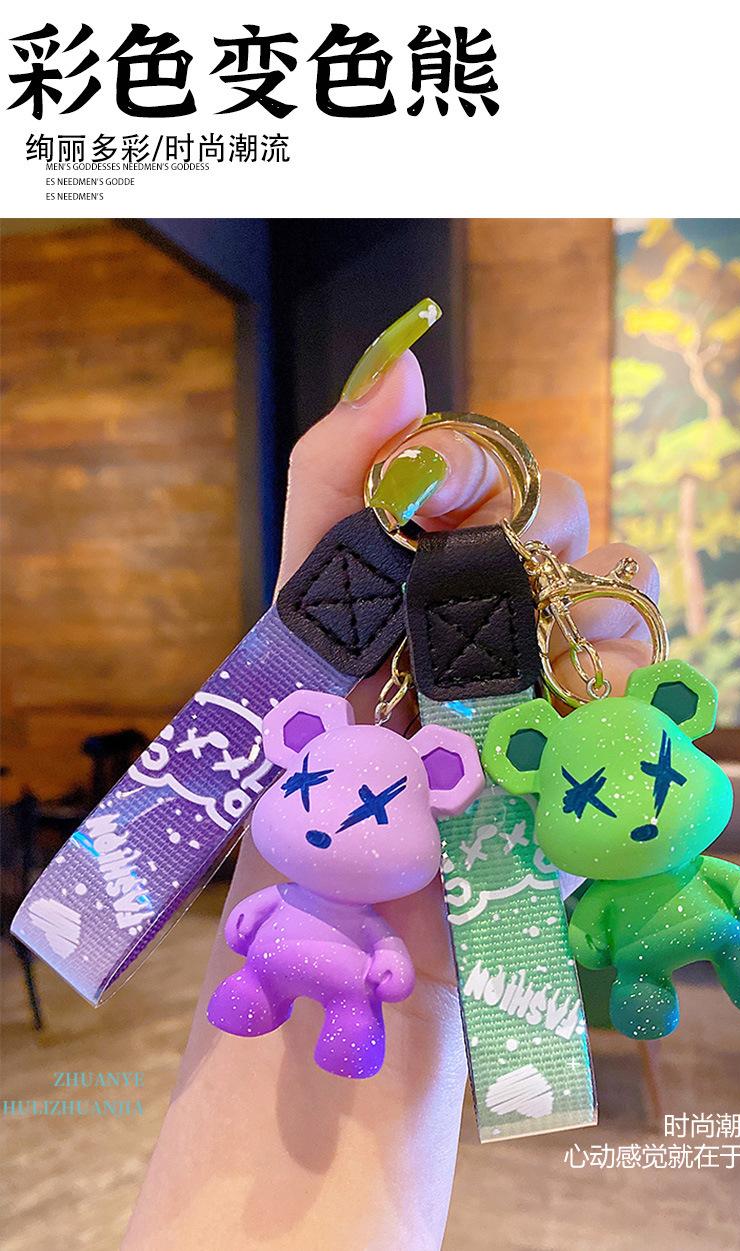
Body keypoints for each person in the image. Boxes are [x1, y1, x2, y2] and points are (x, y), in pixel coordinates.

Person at [124, 308, 657, 1250]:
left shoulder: (431, 793)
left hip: (418, 961)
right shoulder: (321, 727)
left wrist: (424, 986)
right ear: (298, 737)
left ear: (444, 778)